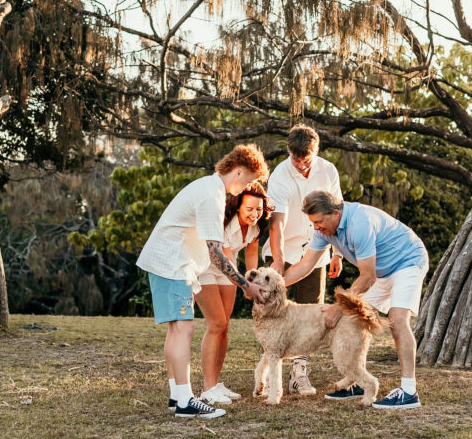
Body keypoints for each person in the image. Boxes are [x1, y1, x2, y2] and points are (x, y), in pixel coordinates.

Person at [136, 145, 269, 419]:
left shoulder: (210, 187)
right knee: (184, 329)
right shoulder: (212, 195)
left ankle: (177, 396)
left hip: (171, 264)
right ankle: (186, 401)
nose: (248, 186)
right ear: (239, 171)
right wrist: (246, 285)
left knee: (177, 330)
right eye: (249, 180)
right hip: (173, 264)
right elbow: (216, 253)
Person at [282, 190, 429, 410]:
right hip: (380, 271)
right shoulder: (323, 231)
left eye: (319, 222)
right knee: (354, 320)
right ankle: (358, 381)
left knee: (397, 320)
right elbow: (305, 265)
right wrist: (274, 285)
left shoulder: (360, 223)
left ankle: (409, 392)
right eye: (313, 223)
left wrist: (338, 306)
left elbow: (367, 277)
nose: (316, 227)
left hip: (407, 261)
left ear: (335, 213)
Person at [262, 124, 342, 396]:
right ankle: (267, 376)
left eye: (306, 160)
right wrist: (277, 261)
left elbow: (337, 212)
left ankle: (299, 374)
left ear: (316, 150)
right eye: (296, 159)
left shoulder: (328, 170)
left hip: (316, 251)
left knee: (310, 316)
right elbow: (277, 223)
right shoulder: (280, 175)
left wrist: (337, 253)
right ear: (289, 151)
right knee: (273, 315)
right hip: (282, 248)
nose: (301, 165)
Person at [195, 181, 274, 405]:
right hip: (207, 268)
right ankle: (207, 388)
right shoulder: (225, 222)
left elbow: (251, 253)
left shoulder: (256, 226)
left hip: (229, 272)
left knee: (224, 326)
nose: (254, 213)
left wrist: (253, 279)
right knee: (216, 324)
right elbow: (225, 258)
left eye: (259, 209)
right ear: (238, 206)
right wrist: (245, 286)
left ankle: (215, 383)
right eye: (249, 209)